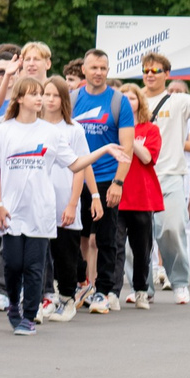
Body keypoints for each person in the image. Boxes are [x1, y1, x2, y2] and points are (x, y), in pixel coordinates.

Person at [0, 77, 92, 334]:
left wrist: (107, 149)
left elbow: (76, 164)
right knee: (13, 265)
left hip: (41, 212)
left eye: (41, 94)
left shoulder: (51, 133)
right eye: (34, 94)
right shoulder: (3, 130)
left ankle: (29, 317)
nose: (40, 98)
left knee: (35, 267)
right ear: (20, 98)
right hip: (11, 212)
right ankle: (14, 304)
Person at [68, 50, 136, 311]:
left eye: (103, 68)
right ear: (83, 69)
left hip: (107, 178)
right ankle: (77, 283)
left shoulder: (119, 102)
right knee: (74, 235)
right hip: (77, 177)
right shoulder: (73, 99)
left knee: (107, 238)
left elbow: (126, 147)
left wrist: (119, 182)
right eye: (94, 67)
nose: (98, 72)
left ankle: (104, 290)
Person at [140, 53, 190, 305]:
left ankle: (179, 282)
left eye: (156, 70)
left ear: (167, 74)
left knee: (172, 228)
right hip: (139, 175)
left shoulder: (179, 101)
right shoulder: (133, 99)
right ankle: (141, 286)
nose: (150, 74)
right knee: (138, 236)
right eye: (146, 70)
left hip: (171, 174)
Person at [116, 88, 166, 309]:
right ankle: (110, 291)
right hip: (116, 194)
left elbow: (147, 157)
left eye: (132, 97)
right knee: (115, 246)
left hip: (141, 197)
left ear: (139, 102)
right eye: (123, 97)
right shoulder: (111, 129)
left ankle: (141, 291)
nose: (128, 100)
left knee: (141, 249)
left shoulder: (151, 129)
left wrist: (129, 135)